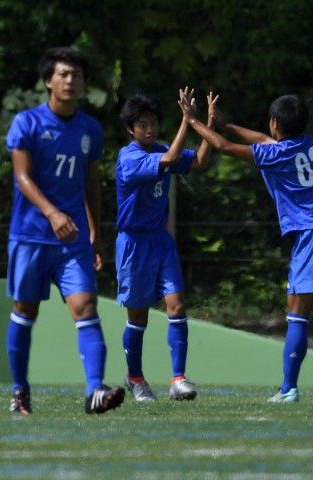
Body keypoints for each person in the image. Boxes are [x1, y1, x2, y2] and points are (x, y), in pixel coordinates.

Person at [179, 92, 313, 403]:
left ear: (274, 123)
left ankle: (288, 389)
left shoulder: (277, 155)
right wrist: (226, 124)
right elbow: (263, 140)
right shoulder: (308, 145)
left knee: (297, 315)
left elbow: (224, 148)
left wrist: (194, 122)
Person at [5, 46, 125, 415]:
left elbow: (92, 186)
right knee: (25, 311)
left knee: (85, 306)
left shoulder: (90, 129)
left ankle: (94, 391)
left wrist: (96, 233)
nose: (71, 80)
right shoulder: (27, 123)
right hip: (30, 235)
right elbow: (22, 177)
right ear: (48, 82)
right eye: (63, 74)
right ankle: (20, 391)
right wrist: (52, 213)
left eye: (76, 75)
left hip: (73, 240)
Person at [115, 89, 214, 402]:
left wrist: (206, 125)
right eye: (142, 124)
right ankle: (135, 378)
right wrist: (188, 121)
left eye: (153, 122)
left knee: (177, 305)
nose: (149, 128)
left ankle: (178, 379)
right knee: (138, 319)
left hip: (160, 239)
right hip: (133, 242)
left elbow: (198, 161)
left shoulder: (161, 148)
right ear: (131, 129)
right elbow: (171, 158)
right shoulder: (129, 156)